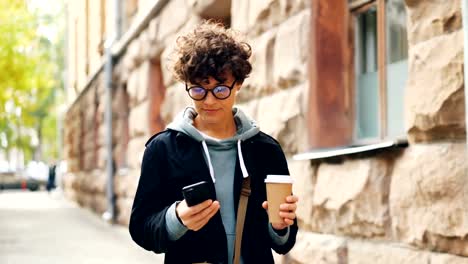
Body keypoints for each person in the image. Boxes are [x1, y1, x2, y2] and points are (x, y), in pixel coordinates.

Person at [129, 20, 298, 264]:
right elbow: (141, 228)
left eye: (220, 90)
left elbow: (283, 243)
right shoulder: (163, 149)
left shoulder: (266, 150)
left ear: (238, 84)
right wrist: (177, 219)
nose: (208, 101)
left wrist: (280, 227)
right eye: (198, 90)